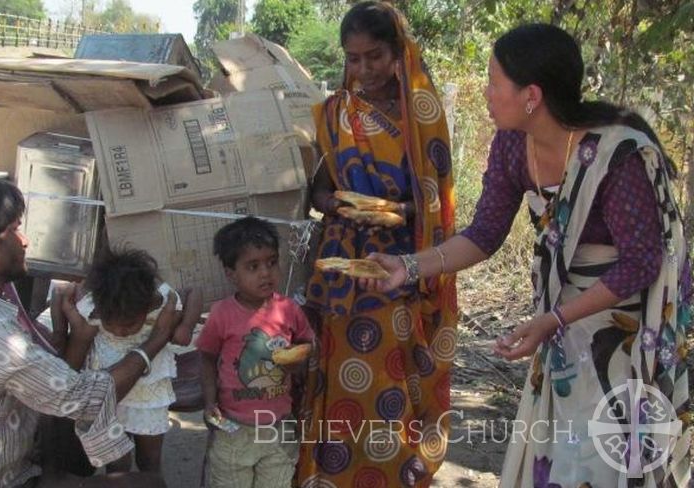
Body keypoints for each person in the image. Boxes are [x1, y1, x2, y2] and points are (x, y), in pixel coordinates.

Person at [364, 23, 691, 487]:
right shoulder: (513, 145)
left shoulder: (617, 154)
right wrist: (409, 267)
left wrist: (554, 320)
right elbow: (485, 234)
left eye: (494, 82)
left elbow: (641, 263)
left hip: (619, 336)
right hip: (558, 329)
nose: (486, 92)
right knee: (560, 458)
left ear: (531, 95)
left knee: (607, 459)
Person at [0, 175, 183, 487]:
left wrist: (76, 338)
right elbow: (85, 397)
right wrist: (157, 338)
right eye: (14, 230)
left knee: (73, 449)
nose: (25, 240)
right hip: (2, 482)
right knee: (148, 485)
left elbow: (48, 384)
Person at [296, 1, 458, 486]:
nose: (363, 69)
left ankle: (392, 474)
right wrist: (338, 204)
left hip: (400, 266)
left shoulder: (421, 116)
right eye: (353, 58)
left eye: (374, 56)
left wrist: (399, 212)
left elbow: (434, 199)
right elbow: (319, 189)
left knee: (391, 374)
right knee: (338, 372)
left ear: (398, 53)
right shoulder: (333, 114)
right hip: (342, 266)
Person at [55, 248, 203, 474]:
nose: (120, 331)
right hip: (109, 400)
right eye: (111, 323)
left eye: (129, 324)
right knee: (116, 463)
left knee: (150, 460)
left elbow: (194, 292)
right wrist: (60, 331)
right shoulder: (93, 306)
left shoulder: (161, 299)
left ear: (146, 307)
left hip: (150, 397)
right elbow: (60, 296)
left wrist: (186, 326)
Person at [196, 216, 315, 488]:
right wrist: (209, 401)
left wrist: (296, 359)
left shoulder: (288, 310)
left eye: (272, 262)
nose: (266, 273)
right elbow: (206, 357)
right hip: (233, 427)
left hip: (278, 427)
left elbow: (309, 345)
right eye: (253, 266)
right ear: (231, 273)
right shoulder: (221, 314)